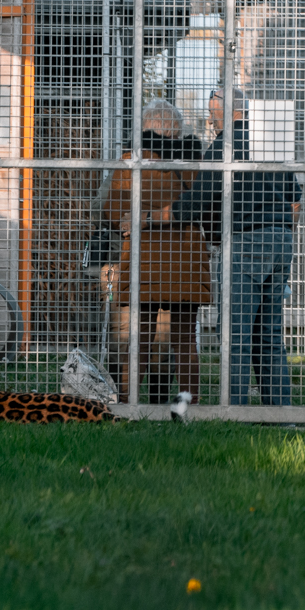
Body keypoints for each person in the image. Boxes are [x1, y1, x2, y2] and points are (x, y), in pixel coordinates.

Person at [172, 88, 301, 406]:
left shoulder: (224, 144)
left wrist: (151, 216)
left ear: (231, 111)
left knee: (236, 335)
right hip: (282, 241)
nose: (210, 117)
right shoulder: (270, 141)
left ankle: (234, 411)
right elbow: (296, 201)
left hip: (246, 244)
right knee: (270, 337)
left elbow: (195, 203)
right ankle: (280, 413)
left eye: (213, 110)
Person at [100, 100, 212, 403]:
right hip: (186, 260)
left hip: (144, 259)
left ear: (145, 126)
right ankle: (190, 403)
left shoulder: (131, 160)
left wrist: (127, 221)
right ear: (176, 126)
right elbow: (205, 206)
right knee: (185, 340)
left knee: (139, 339)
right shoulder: (194, 160)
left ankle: (129, 401)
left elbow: (112, 209)